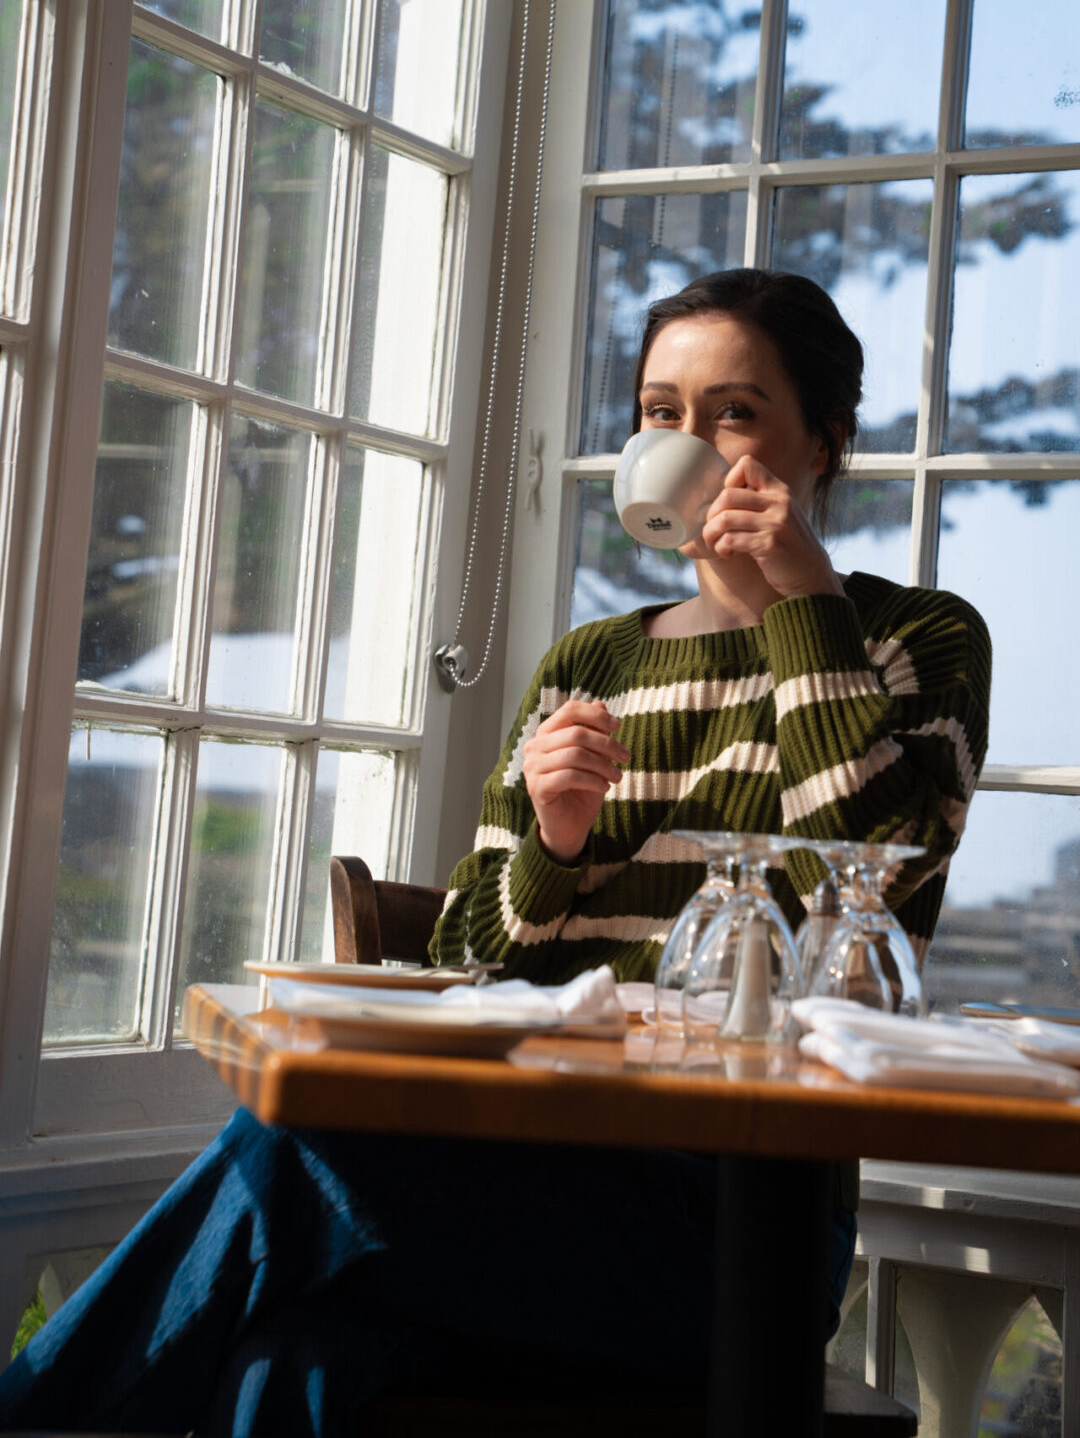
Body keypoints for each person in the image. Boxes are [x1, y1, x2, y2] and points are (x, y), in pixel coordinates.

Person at [0, 269, 990, 1437]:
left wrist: (806, 599)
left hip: (738, 1232)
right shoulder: (591, 666)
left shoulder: (913, 637)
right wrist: (552, 847)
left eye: (733, 412)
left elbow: (876, 893)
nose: (686, 441)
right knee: (302, 1351)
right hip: (509, 1176)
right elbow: (467, 964)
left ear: (820, 444)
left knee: (292, 1152)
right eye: (659, 412)